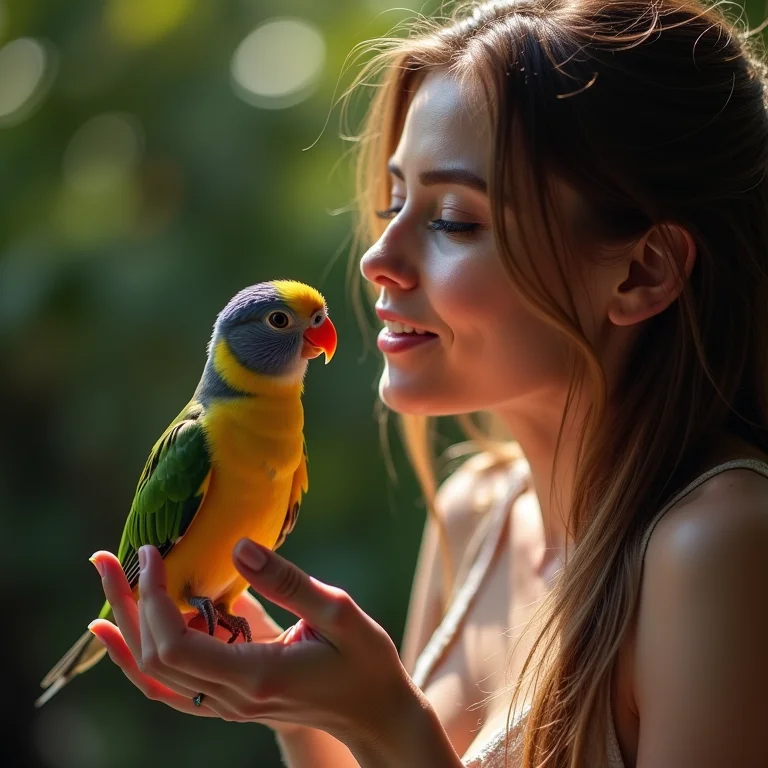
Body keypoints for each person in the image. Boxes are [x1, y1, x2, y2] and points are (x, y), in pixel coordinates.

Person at [87, 1, 768, 765]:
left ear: (642, 271)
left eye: (452, 220)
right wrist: (301, 712)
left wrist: (386, 721)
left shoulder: (722, 546)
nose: (377, 257)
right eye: (393, 203)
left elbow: (401, 746)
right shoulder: (475, 511)